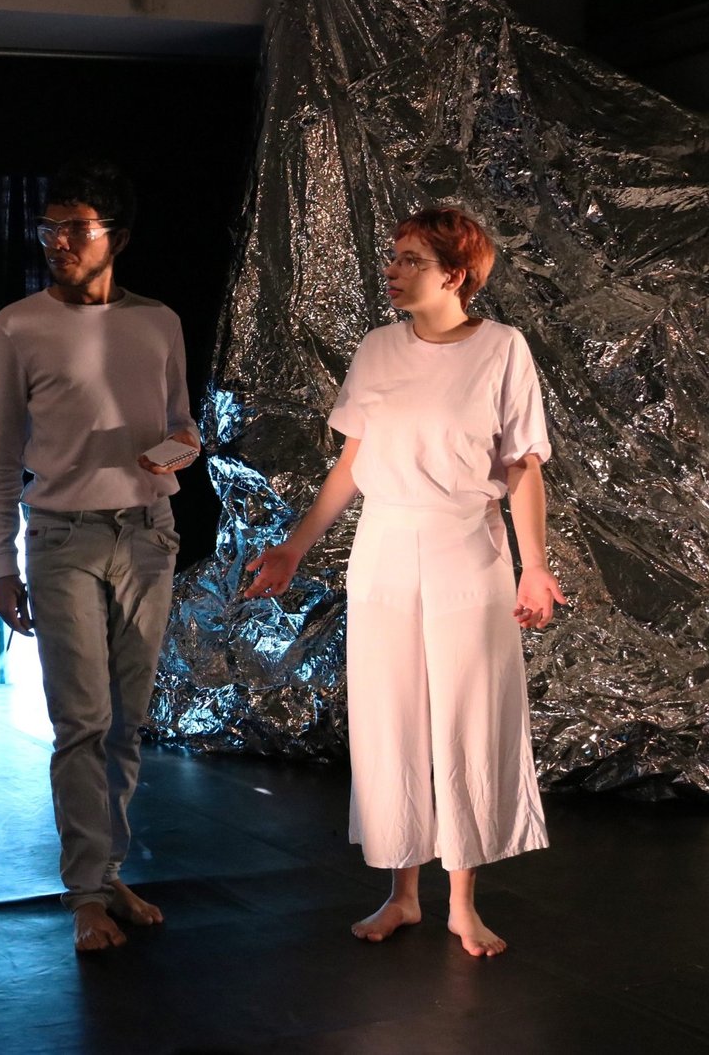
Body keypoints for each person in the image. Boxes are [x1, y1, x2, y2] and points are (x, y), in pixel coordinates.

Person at [244, 207, 566, 958]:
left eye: (411, 258)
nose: (392, 268)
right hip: (386, 546)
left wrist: (535, 563)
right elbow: (353, 462)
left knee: (465, 716)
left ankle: (461, 902)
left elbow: (522, 464)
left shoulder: (502, 350)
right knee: (391, 716)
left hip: (467, 545)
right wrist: (294, 547)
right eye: (394, 256)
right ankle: (401, 894)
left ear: (455, 274)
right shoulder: (379, 348)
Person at [0, 159, 200, 953]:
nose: (58, 243)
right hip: (62, 536)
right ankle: (84, 893)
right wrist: (1, 565)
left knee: (127, 724)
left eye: (76, 229)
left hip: (146, 533)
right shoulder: (17, 325)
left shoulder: (159, 321)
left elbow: (181, 425)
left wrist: (176, 450)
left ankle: (109, 871)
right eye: (49, 228)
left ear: (120, 238)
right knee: (82, 719)